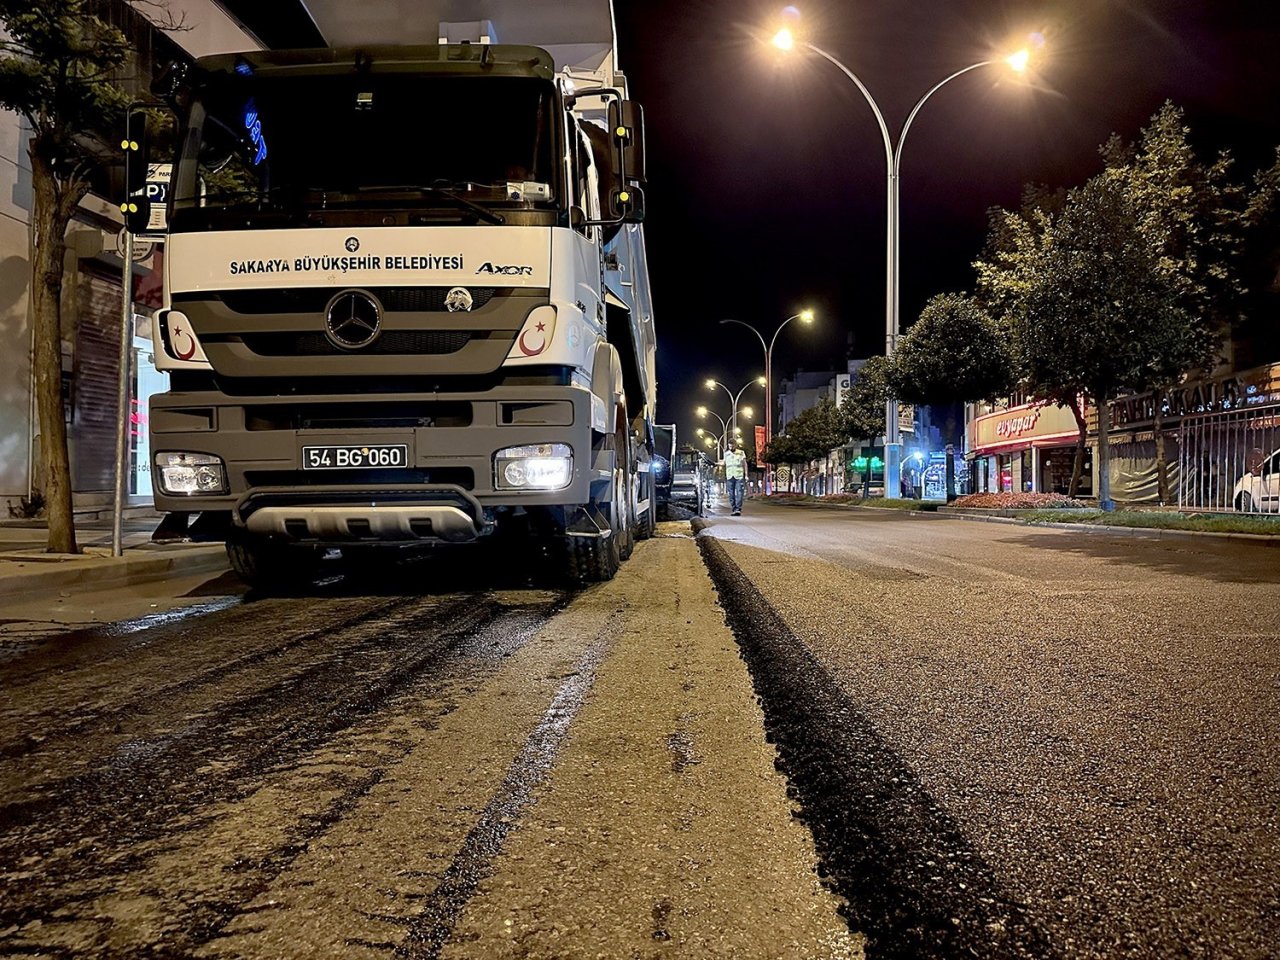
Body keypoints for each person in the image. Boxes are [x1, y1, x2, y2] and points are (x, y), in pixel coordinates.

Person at [723, 442, 747, 515]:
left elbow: (744, 464)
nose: (731, 447)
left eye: (732, 446)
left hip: (739, 475)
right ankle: (734, 508)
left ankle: (738, 509)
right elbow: (724, 463)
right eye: (730, 446)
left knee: (740, 492)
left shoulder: (741, 453)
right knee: (731, 493)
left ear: (735, 445)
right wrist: (714, 463)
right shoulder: (726, 454)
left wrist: (746, 475)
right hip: (730, 476)